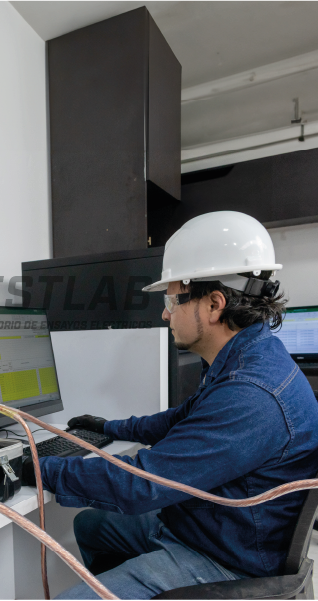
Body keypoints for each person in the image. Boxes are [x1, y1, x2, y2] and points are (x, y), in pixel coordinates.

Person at [22, 211, 318, 600]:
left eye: (172, 299)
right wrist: (110, 428)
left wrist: (35, 469)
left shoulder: (252, 394)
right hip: (215, 524)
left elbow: (142, 484)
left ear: (214, 304)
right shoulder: (247, 355)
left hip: (229, 557)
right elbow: (185, 417)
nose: (164, 313)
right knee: (92, 526)